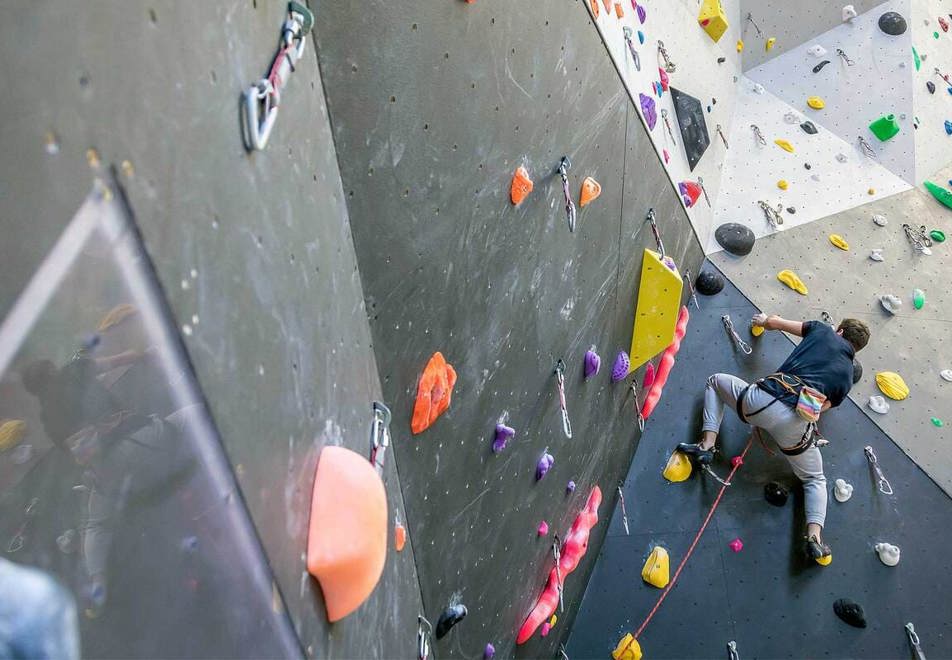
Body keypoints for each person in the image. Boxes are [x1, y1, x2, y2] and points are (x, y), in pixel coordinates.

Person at [677, 314, 871, 566]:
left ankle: (707, 445)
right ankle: (814, 538)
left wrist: (760, 320)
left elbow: (777, 322)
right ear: (856, 350)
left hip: (761, 400)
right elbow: (819, 410)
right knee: (814, 478)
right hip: (793, 425)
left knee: (715, 382)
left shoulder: (822, 331)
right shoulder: (846, 376)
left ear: (841, 331)